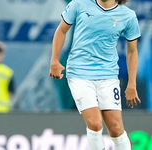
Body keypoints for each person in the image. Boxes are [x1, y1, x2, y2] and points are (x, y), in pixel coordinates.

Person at [49, 0, 141, 149]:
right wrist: (54, 60)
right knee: (95, 123)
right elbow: (61, 30)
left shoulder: (128, 16)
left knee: (116, 128)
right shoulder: (78, 4)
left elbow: (132, 51)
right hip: (79, 73)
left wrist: (132, 84)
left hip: (108, 76)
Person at [0, 41, 15, 113]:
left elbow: (11, 91)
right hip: (3, 109)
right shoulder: (7, 72)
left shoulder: (7, 72)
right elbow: (11, 92)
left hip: (3, 110)